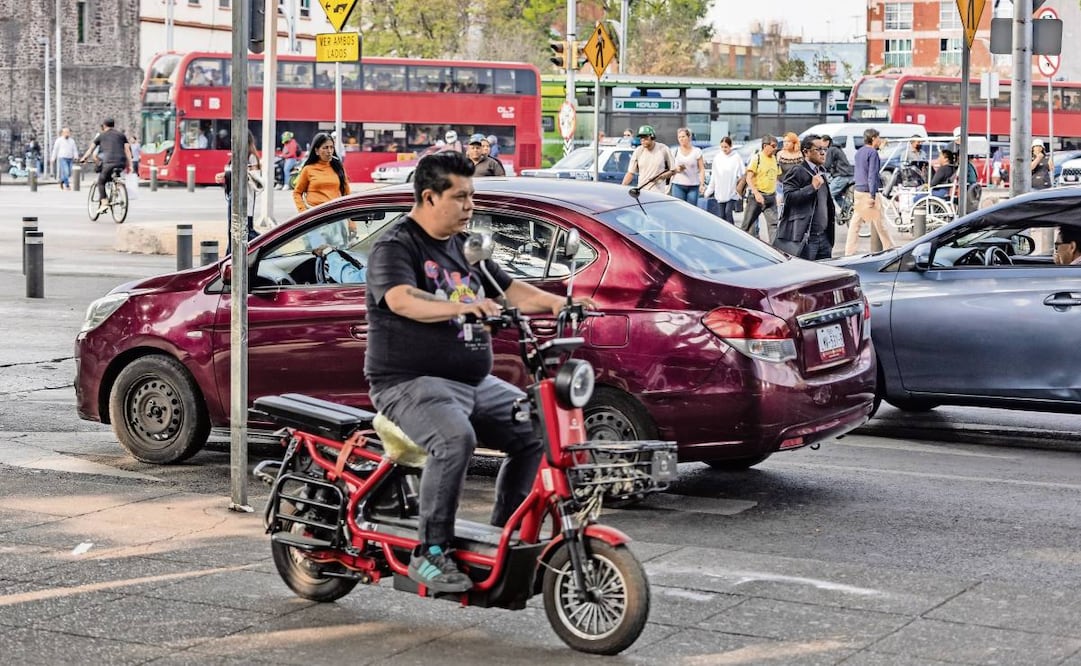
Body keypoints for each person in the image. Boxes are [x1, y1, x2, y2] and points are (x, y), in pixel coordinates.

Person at [363, 150, 596, 593]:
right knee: (454, 441)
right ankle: (430, 552)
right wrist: (463, 305)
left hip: (470, 382)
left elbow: (508, 291)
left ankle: (502, 535)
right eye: (461, 196)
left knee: (534, 430)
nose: (471, 205)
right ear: (429, 197)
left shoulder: (464, 246)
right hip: (408, 382)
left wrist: (559, 303)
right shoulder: (396, 245)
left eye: (473, 196)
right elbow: (400, 300)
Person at [775, 135, 835, 261]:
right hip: (807, 238)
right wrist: (812, 187)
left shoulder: (821, 172)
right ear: (806, 152)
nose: (823, 153)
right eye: (818, 149)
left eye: (824, 149)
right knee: (807, 275)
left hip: (824, 237)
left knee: (824, 275)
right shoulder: (798, 171)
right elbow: (789, 197)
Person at [845, 128, 895, 256]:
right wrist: (873, 195)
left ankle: (849, 252)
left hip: (858, 190)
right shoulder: (872, 153)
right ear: (873, 138)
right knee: (880, 223)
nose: (880, 140)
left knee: (856, 223)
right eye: (878, 138)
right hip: (868, 191)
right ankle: (891, 250)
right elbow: (872, 174)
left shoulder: (859, 152)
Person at [79, 118, 132, 216]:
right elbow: (127, 150)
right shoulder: (121, 135)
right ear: (113, 125)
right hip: (121, 162)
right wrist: (131, 165)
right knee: (112, 176)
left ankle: (104, 202)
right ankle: (117, 189)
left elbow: (91, 149)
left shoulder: (101, 135)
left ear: (104, 125)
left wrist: (84, 158)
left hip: (109, 162)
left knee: (101, 181)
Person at [293, 132, 350, 212]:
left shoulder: (338, 168)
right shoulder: (308, 169)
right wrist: (303, 211)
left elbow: (347, 194)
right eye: (325, 148)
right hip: (315, 217)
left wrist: (350, 221)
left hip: (335, 215)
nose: (329, 151)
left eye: (331, 147)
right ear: (316, 151)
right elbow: (297, 193)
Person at [740, 134, 781, 241]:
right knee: (747, 225)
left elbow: (776, 178)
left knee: (774, 225)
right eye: (773, 146)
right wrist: (756, 194)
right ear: (764, 146)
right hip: (756, 197)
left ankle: (775, 249)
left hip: (771, 197)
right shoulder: (756, 158)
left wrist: (777, 194)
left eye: (776, 146)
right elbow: (749, 178)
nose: (775, 148)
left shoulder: (775, 160)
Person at [702, 136, 744, 223]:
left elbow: (742, 173)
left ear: (730, 146)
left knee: (728, 212)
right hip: (720, 191)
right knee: (721, 215)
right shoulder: (718, 158)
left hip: (732, 191)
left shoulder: (736, 157)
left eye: (726, 147)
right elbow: (714, 176)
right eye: (722, 147)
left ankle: (732, 232)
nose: (724, 149)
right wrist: (709, 191)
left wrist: (740, 188)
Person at [621, 124, 673, 193]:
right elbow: (630, 173)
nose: (643, 140)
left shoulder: (663, 149)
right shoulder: (638, 151)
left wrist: (661, 177)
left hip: (659, 192)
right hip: (642, 191)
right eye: (641, 138)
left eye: (645, 137)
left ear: (652, 137)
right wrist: (622, 187)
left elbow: (673, 170)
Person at [669, 127, 705, 205]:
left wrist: (702, 184)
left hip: (693, 186)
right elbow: (670, 169)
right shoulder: (674, 151)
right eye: (679, 137)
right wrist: (677, 169)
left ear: (689, 137)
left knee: (691, 209)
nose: (681, 139)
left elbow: (701, 169)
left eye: (683, 136)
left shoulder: (697, 151)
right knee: (679, 208)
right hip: (678, 185)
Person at [822, 134, 854, 210]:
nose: (821, 145)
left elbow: (827, 165)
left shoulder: (831, 149)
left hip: (842, 175)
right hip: (846, 174)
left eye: (822, 142)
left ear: (827, 142)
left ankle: (828, 214)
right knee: (837, 196)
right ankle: (848, 211)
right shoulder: (836, 148)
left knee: (827, 195)